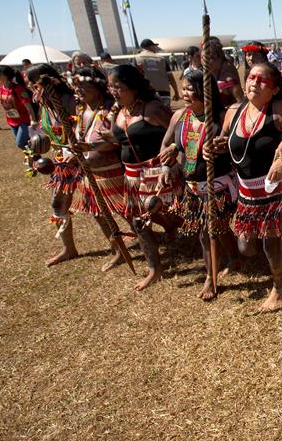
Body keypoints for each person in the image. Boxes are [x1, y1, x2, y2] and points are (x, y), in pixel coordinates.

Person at [209, 62, 282, 311]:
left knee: (268, 240)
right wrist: (215, 146)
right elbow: (225, 142)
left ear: (275, 88)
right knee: (246, 248)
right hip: (247, 191)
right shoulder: (234, 111)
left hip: (274, 188)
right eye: (251, 78)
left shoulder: (278, 109)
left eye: (263, 81)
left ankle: (278, 287)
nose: (254, 83)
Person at [159, 69, 241, 299]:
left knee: (209, 232)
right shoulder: (180, 117)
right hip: (192, 187)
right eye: (184, 88)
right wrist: (169, 159)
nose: (186, 93)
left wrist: (220, 147)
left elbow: (235, 147)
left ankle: (210, 278)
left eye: (191, 89)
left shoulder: (222, 117)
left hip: (218, 186)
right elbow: (165, 145)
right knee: (213, 229)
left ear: (207, 92)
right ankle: (232, 259)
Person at [108, 64, 179, 291]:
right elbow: (117, 139)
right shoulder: (120, 112)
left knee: (173, 214)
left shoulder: (153, 109)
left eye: (118, 87)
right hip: (131, 176)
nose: (113, 91)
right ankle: (154, 268)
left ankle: (176, 231)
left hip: (157, 173)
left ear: (134, 87)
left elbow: (179, 132)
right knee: (138, 222)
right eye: (110, 87)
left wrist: (172, 156)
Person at [68, 66, 130, 272]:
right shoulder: (81, 111)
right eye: (76, 86)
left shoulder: (112, 110)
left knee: (129, 212)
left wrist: (92, 147)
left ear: (97, 87)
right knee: (99, 214)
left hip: (113, 172)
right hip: (90, 173)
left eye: (83, 85)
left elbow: (116, 141)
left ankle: (166, 228)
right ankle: (118, 250)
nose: (79, 90)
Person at [26, 64, 83, 266]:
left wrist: (75, 149)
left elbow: (82, 126)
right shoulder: (44, 105)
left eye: (32, 84)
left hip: (80, 159)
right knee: (58, 204)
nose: (30, 89)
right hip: (62, 162)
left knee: (96, 206)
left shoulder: (67, 101)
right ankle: (69, 249)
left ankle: (117, 245)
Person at [0, 66, 36, 148]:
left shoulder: (17, 88)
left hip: (24, 121)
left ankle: (37, 159)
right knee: (26, 144)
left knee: (20, 143)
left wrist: (33, 120)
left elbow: (28, 105)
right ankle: (35, 159)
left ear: (3, 75)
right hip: (11, 121)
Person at [134, 39, 179, 107]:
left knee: (148, 114)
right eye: (154, 46)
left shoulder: (136, 58)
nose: (155, 48)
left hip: (145, 93)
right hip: (164, 92)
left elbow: (132, 77)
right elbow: (171, 77)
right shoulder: (162, 59)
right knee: (165, 114)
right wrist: (176, 92)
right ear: (150, 46)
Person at [204, 36, 244, 106]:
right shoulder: (206, 74)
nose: (206, 62)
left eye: (211, 58)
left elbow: (241, 102)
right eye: (204, 58)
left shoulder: (227, 69)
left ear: (219, 57)